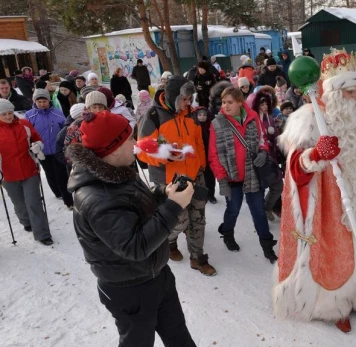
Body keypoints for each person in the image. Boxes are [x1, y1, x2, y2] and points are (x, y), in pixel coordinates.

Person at [273, 49, 356, 333]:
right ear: (335, 91)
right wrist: (316, 154)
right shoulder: (310, 116)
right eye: (350, 90)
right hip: (329, 206)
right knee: (334, 256)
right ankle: (333, 306)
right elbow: (295, 167)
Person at [66, 110, 197, 347]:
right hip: (129, 290)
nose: (136, 143)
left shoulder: (116, 170)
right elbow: (134, 246)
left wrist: (163, 193)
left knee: (178, 336)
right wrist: (173, 207)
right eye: (129, 139)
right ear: (113, 148)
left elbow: (135, 201)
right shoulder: (97, 197)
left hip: (157, 275)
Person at [137, 76, 216, 276]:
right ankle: (169, 241)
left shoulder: (191, 115)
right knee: (179, 221)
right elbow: (143, 151)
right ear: (174, 97)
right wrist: (166, 157)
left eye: (190, 99)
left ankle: (197, 257)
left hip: (195, 176)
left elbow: (198, 143)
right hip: (170, 181)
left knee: (198, 218)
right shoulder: (153, 116)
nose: (189, 103)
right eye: (185, 99)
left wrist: (201, 166)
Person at [208, 86, 278, 263]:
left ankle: (267, 244)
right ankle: (227, 233)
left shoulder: (253, 118)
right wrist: (221, 179)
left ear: (240, 102)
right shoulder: (217, 123)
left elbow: (262, 141)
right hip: (232, 177)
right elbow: (213, 154)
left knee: (259, 211)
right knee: (233, 209)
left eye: (230, 102)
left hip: (252, 174)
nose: (225, 106)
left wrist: (263, 152)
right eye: (223, 102)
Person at [0, 99, 53, 245]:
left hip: (29, 169)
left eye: (10, 113)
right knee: (19, 203)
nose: (8, 116)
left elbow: (37, 139)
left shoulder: (24, 125)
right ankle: (26, 221)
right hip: (8, 174)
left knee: (33, 202)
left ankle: (43, 234)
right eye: (4, 114)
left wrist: (37, 145)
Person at [25, 89, 73, 209]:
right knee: (49, 173)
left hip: (57, 150)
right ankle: (57, 191)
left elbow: (65, 129)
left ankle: (68, 200)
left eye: (44, 101)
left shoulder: (57, 113)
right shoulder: (29, 115)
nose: (42, 104)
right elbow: (26, 133)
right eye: (39, 101)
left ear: (49, 101)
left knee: (61, 174)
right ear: (34, 101)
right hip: (42, 151)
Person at [251, 90, 282, 221]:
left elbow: (275, 136)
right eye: (261, 104)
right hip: (259, 159)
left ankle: (267, 207)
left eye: (266, 105)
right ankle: (260, 214)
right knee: (261, 187)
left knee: (278, 186)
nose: (264, 107)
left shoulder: (270, 118)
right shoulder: (252, 119)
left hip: (272, 158)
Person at [204, 80, 233, 204]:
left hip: (230, 140)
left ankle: (232, 189)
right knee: (212, 169)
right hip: (215, 140)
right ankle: (210, 193)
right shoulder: (212, 108)